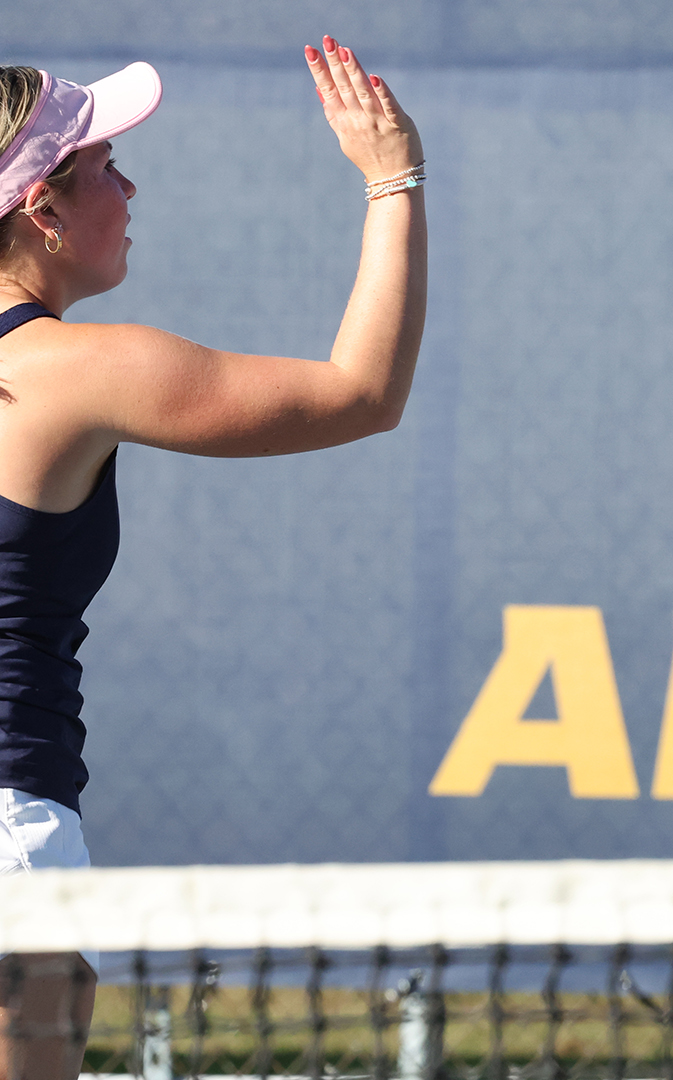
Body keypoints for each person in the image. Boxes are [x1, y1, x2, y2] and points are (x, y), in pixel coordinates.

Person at [0, 38, 425, 1080]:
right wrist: (394, 181)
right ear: (42, 211)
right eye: (103, 167)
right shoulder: (69, 373)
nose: (130, 183)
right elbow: (363, 392)